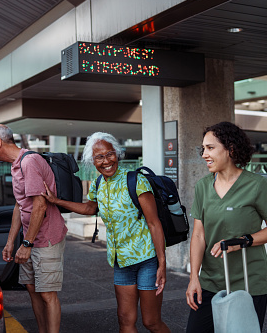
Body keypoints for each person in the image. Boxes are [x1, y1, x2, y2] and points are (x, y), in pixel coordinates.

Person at [42, 131, 171, 333]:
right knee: (125, 321)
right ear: (93, 161)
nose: (106, 161)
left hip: (146, 260)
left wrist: (162, 264)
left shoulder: (136, 181)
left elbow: (154, 224)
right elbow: (90, 208)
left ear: (117, 154)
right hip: (121, 262)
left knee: (151, 322)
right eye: (99, 157)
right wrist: (57, 201)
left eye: (109, 154)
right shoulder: (98, 184)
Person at [185, 121, 267, 332]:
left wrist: (242, 242)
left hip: (249, 281)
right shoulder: (203, 186)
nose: (204, 154)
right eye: (202, 148)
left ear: (230, 149)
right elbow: (199, 236)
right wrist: (194, 277)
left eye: (210, 148)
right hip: (210, 280)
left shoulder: (256, 185)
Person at [0, 124, 68, 333]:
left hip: (46, 238)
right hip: (30, 238)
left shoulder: (29, 162)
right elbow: (20, 205)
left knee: (47, 293)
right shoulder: (16, 165)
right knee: (32, 289)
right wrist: (11, 242)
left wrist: (26, 244)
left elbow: (40, 205)